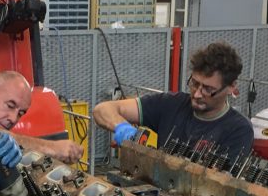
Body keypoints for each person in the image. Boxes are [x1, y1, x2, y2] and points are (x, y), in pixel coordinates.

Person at [92, 40, 253, 158]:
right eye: (194, 84)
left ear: (231, 87)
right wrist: (123, 129)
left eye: (208, 89)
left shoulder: (238, 129)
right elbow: (102, 110)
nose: (197, 94)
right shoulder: (170, 104)